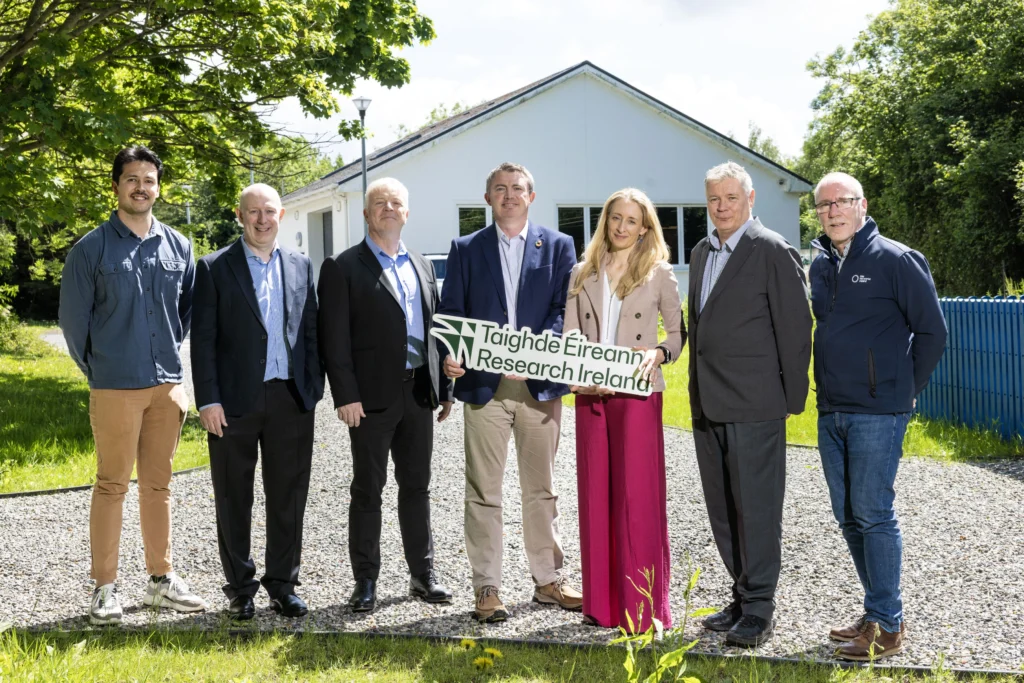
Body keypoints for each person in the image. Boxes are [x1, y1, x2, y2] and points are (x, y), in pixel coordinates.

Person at [58, 145, 208, 625]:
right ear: (116, 186)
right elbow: (73, 324)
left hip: (167, 386)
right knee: (112, 485)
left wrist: (164, 360)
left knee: (158, 485)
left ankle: (161, 579)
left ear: (158, 187)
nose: (141, 187)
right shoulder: (91, 249)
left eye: (149, 180)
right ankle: (105, 588)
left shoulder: (179, 246)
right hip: (114, 387)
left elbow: (184, 313)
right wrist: (102, 371)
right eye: (132, 179)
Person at [809, 172, 946, 661]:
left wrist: (904, 391)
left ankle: (888, 625)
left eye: (842, 202)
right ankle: (877, 611)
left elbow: (932, 333)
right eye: (824, 205)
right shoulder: (821, 264)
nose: (833, 211)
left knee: (873, 513)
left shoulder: (897, 259)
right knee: (849, 517)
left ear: (862, 205)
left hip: (878, 411)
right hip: (831, 409)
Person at [440, 162, 580, 623]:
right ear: (488, 198)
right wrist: (452, 356)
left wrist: (534, 354)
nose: (509, 195)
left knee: (542, 489)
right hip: (485, 386)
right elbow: (453, 313)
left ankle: (548, 581)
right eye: (499, 189)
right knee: (484, 490)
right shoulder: (466, 249)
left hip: (539, 385)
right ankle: (487, 587)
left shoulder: (558, 246)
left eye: (517, 188)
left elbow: (564, 310)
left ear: (531, 196)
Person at [688, 161, 811, 647]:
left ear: (750, 198)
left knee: (756, 511)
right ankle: (741, 596)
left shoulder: (772, 250)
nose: (722, 207)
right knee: (723, 511)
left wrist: (789, 400)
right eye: (714, 199)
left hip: (756, 405)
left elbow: (796, 330)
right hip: (709, 402)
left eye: (731, 198)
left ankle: (760, 608)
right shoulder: (701, 252)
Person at [318, 178, 454, 613]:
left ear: (407, 213)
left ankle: (422, 574)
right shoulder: (342, 267)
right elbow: (333, 339)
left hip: (418, 393)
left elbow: (438, 331)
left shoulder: (423, 265)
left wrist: (445, 387)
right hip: (370, 399)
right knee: (367, 490)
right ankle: (365, 581)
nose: (389, 208)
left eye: (396, 203)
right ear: (366, 213)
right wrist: (345, 394)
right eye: (380, 203)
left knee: (417, 487)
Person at [190, 183, 323, 620]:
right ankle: (241, 588)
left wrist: (312, 388)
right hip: (232, 403)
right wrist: (208, 400)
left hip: (291, 398)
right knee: (234, 497)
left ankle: (283, 585)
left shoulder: (301, 264)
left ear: (281, 215)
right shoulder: (214, 267)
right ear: (239, 215)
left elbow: (310, 330)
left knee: (289, 496)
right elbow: (203, 340)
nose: (262, 219)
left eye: (269, 211)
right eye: (253, 212)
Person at [562, 188, 684, 631]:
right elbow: (570, 333)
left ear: (645, 227)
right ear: (606, 220)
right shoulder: (582, 272)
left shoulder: (659, 272)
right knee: (596, 496)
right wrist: (573, 364)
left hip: (637, 394)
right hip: (590, 391)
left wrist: (658, 354)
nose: (621, 226)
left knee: (636, 499)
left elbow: (676, 335)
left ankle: (642, 608)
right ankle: (602, 606)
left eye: (631, 220)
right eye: (616, 217)